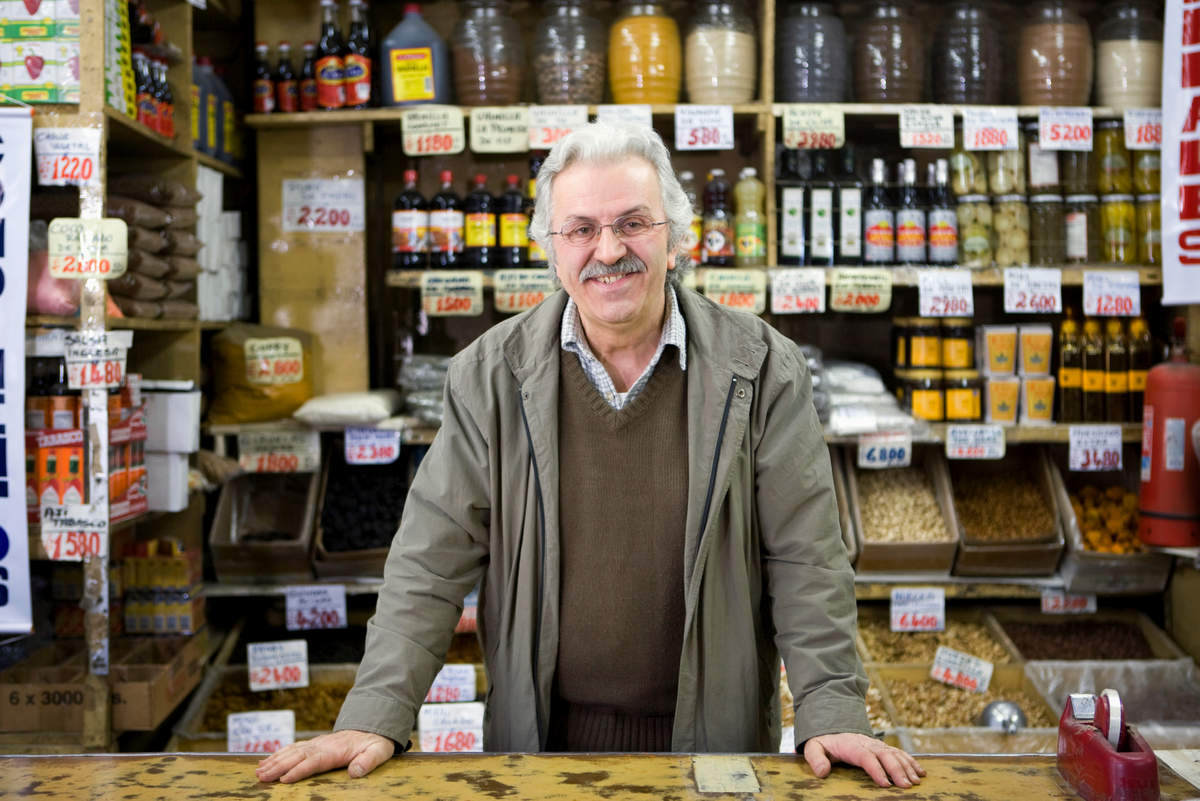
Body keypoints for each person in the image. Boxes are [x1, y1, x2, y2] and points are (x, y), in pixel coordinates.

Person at [256, 122, 924, 789]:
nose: (608, 249)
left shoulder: (760, 370)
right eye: (580, 229)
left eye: (632, 222)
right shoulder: (492, 375)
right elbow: (430, 559)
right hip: (540, 748)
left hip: (714, 751)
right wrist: (377, 710)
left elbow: (806, 555)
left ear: (673, 237)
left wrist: (832, 707)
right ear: (552, 248)